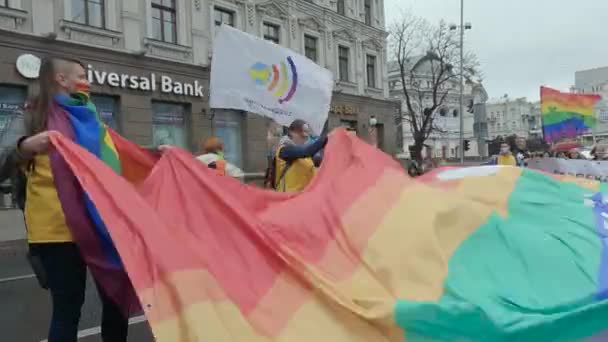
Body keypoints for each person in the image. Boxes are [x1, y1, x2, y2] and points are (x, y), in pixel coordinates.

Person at [0, 57, 134, 342]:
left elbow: (115, 157)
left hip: (102, 227)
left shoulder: (89, 117)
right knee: (67, 310)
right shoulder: (31, 116)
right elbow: (3, 162)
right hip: (56, 233)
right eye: (83, 75)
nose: (88, 81)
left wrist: (156, 156)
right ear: (61, 79)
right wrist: (26, 146)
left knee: (116, 302)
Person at [274, 119, 327, 192]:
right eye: (302, 135)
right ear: (291, 133)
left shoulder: (304, 155)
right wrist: (327, 138)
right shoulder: (285, 150)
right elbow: (306, 152)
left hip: (303, 199)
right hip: (287, 199)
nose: (305, 139)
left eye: (306, 136)